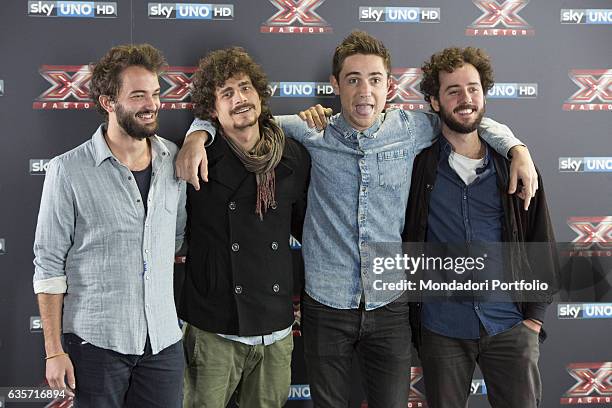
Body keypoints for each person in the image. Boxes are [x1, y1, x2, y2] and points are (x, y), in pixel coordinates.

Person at [177, 31, 538, 408]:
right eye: (353, 80)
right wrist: (196, 134)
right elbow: (243, 121)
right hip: (325, 304)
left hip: (390, 305)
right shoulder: (309, 131)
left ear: (389, 86)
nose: (364, 91)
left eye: (375, 80)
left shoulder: (413, 129)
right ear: (335, 85)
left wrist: (517, 148)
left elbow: (466, 118)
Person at [33, 44, 186, 408]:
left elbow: (177, 238)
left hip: (163, 344)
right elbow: (49, 267)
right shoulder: (67, 171)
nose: (152, 104)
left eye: (155, 93)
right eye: (137, 96)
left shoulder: (174, 160)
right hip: (96, 347)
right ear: (108, 103)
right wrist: (53, 351)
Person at [402, 47, 556, 408]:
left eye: (473, 88)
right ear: (435, 102)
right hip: (441, 328)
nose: (466, 99)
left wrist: (533, 320)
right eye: (453, 90)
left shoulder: (515, 167)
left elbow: (541, 242)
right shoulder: (418, 166)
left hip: (509, 324)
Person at [179, 47, 310, 408]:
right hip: (215, 327)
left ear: (259, 94)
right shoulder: (197, 159)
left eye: (244, 87)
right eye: (227, 93)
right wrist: (197, 135)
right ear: (211, 110)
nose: (240, 99)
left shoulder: (292, 156)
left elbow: (306, 228)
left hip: (276, 327)